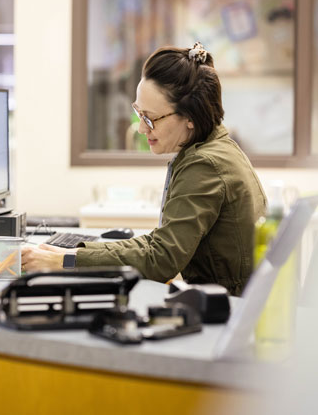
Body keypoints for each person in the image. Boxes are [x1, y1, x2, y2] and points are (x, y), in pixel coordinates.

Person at [21, 42, 266, 296]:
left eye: (150, 118)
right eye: (139, 113)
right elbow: (160, 246)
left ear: (190, 117)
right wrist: (72, 254)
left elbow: (161, 259)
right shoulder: (215, 148)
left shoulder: (205, 165)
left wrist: (66, 261)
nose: (141, 128)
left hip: (228, 312)